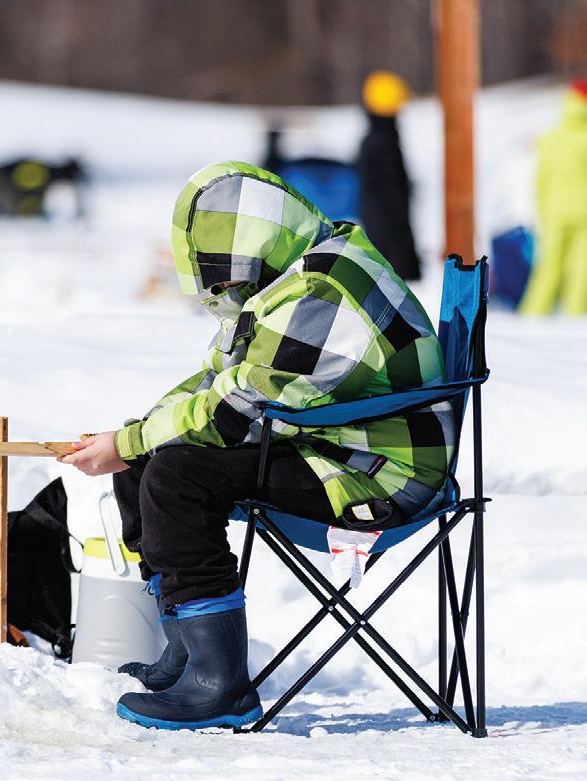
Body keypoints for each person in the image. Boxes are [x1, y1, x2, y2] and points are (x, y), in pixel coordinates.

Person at [60, 161, 455, 731]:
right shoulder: (295, 276)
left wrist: (132, 441)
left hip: (381, 474)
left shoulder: (322, 292)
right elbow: (218, 380)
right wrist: (134, 435)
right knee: (147, 458)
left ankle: (219, 683)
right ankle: (188, 649)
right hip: (336, 444)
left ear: (251, 252)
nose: (223, 293)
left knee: (176, 476)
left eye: (223, 280)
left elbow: (236, 409)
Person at [520, 80, 587, 315]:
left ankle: (532, 314)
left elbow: (541, 179)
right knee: (580, 269)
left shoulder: (551, 138)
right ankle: (576, 317)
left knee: (547, 267)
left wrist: (542, 209)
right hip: (584, 213)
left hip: (554, 211)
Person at [356, 71, 421, 281]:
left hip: (386, 245)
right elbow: (391, 205)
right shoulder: (383, 143)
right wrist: (405, 259)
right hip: (391, 249)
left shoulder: (376, 140)